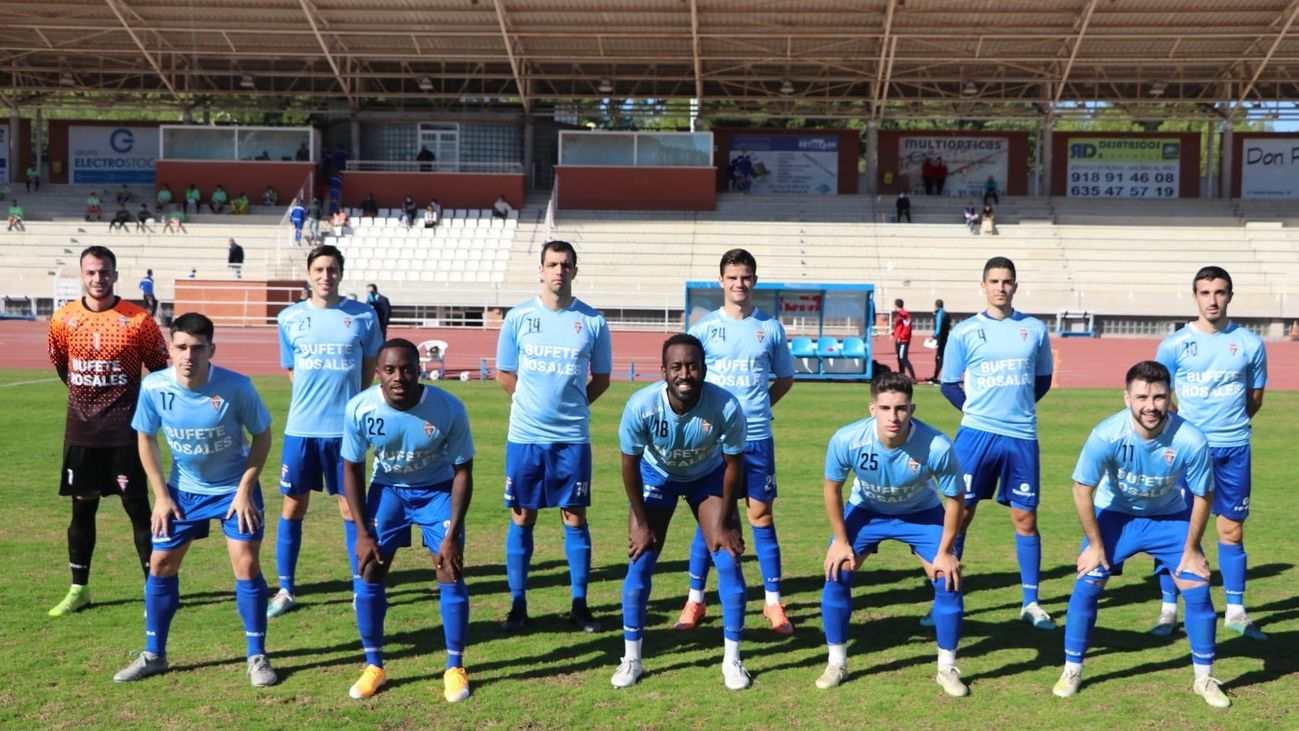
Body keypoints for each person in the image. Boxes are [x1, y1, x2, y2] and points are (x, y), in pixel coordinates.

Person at [112, 313, 278, 688]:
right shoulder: (154, 387)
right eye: (181, 347)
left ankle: (257, 656)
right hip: (183, 490)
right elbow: (146, 438)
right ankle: (154, 654)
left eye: (198, 348)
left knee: (246, 564)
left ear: (211, 350)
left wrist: (245, 490)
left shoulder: (237, 387)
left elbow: (262, 437)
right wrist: (160, 495)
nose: (189, 355)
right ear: (171, 349)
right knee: (161, 563)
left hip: (234, 489)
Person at [1052, 360, 1228, 708]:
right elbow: (1081, 489)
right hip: (1116, 516)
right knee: (1087, 583)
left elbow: (1203, 495)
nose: (1151, 405)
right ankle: (1072, 668)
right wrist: (1096, 545)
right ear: (1126, 398)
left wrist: (1192, 548)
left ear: (1169, 398)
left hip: (1169, 518)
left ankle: (1203, 678)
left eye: (1159, 397)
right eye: (1142, 397)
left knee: (1197, 589)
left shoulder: (1191, 439)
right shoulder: (1106, 434)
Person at [612, 334, 750, 690]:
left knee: (727, 558)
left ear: (704, 369)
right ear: (663, 371)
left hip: (707, 477)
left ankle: (732, 661)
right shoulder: (641, 406)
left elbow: (734, 464)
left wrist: (728, 518)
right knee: (640, 558)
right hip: (657, 476)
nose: (685, 374)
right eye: (676, 367)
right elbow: (629, 465)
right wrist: (641, 522)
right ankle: (631, 659)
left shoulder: (726, 406)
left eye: (692, 366)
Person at [340, 339, 475, 703]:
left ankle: (455, 667)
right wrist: (362, 529)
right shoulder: (360, 408)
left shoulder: (448, 408)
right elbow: (351, 468)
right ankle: (374, 666)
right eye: (390, 370)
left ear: (420, 369)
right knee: (370, 570)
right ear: (377, 373)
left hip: (438, 491)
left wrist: (451, 536)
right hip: (389, 491)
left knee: (450, 568)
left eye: (406, 369)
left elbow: (464, 470)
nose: (399, 377)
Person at [816, 372, 967, 696]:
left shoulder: (937, 445)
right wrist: (841, 542)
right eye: (885, 408)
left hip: (921, 514)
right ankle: (836, 662)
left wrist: (946, 550)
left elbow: (955, 499)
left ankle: (947, 668)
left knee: (947, 578)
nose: (893, 416)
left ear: (911, 408)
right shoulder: (847, 439)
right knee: (836, 572)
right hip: (867, 511)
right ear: (872, 409)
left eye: (900, 408)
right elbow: (832, 489)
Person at [675, 249, 795, 636]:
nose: (739, 284)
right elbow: (690, 382)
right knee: (710, 518)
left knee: (761, 516)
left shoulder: (770, 328)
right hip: (713, 441)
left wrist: (755, 410)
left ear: (754, 281)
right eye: (732, 277)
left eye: (745, 277)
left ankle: (774, 603)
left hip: (757, 438)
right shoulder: (705, 329)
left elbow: (784, 379)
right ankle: (695, 599)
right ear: (720, 281)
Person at [494, 241, 612, 632]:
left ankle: (579, 604)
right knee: (522, 514)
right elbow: (504, 374)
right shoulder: (518, 318)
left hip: (572, 439)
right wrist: (532, 406)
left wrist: (572, 407)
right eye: (551, 264)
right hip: (525, 437)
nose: (558, 270)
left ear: (575, 271)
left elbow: (603, 379)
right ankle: (518, 605)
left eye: (565, 264)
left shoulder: (593, 322)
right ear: (540, 271)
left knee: (574, 516)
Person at [46, 246, 169, 617]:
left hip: (126, 435)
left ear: (115, 275)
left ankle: (155, 589)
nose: (98, 279)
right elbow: (62, 367)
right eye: (91, 273)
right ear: (81, 275)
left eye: (104, 272)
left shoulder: (138, 320)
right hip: (82, 434)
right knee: (82, 511)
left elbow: (160, 369)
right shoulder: (63, 319)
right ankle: (78, 589)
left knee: (138, 510)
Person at [937, 256, 1055, 630]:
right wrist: (978, 412)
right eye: (994, 281)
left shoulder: (1034, 329)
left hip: (1021, 436)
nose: (1000, 287)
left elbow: (1043, 380)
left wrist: (1015, 409)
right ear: (983, 285)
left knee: (1025, 517)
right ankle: (944, 597)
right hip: (975, 435)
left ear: (1015, 287)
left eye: (1007, 282)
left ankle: (1031, 602)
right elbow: (948, 383)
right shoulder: (965, 332)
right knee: (960, 514)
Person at [266, 244, 383, 618]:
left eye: (332, 269)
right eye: (318, 269)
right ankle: (285, 589)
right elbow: (292, 371)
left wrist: (351, 407)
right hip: (301, 429)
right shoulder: (289, 318)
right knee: (293, 504)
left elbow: (369, 369)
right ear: (309, 273)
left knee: (351, 508)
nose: (325, 276)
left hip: (344, 432)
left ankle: (357, 585)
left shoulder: (363, 316)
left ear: (340, 273)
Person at [1150, 266, 1267, 639]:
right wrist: (1186, 435)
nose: (1212, 300)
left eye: (1219, 292)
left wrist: (1228, 426)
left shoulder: (1250, 344)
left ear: (1230, 296)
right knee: (1178, 530)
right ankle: (1169, 611)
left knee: (1231, 529)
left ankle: (1235, 611)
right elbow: (1160, 398)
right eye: (1205, 292)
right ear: (1195, 296)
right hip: (1187, 452)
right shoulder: (1174, 345)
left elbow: (1254, 399)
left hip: (1234, 448)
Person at [891, 298, 917, 382]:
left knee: (903, 358)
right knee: (899, 358)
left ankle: (913, 377)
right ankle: (901, 375)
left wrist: (901, 337)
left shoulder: (904, 315)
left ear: (896, 305)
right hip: (899, 340)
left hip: (903, 341)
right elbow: (899, 327)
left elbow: (907, 327)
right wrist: (894, 334)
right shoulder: (899, 315)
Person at [928, 298, 951, 383]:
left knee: (940, 358)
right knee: (939, 357)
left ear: (936, 305)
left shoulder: (940, 314)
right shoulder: (946, 314)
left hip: (940, 339)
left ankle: (942, 377)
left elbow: (938, 329)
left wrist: (933, 336)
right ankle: (935, 376)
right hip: (945, 338)